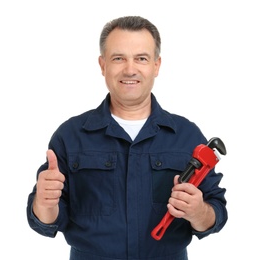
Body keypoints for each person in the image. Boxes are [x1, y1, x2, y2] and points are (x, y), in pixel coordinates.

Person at [26, 16, 228, 260]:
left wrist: (198, 212)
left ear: (156, 65)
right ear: (103, 65)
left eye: (141, 58)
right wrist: (44, 202)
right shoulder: (70, 136)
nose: (130, 69)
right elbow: (46, 222)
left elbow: (216, 213)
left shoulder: (187, 135)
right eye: (118, 58)